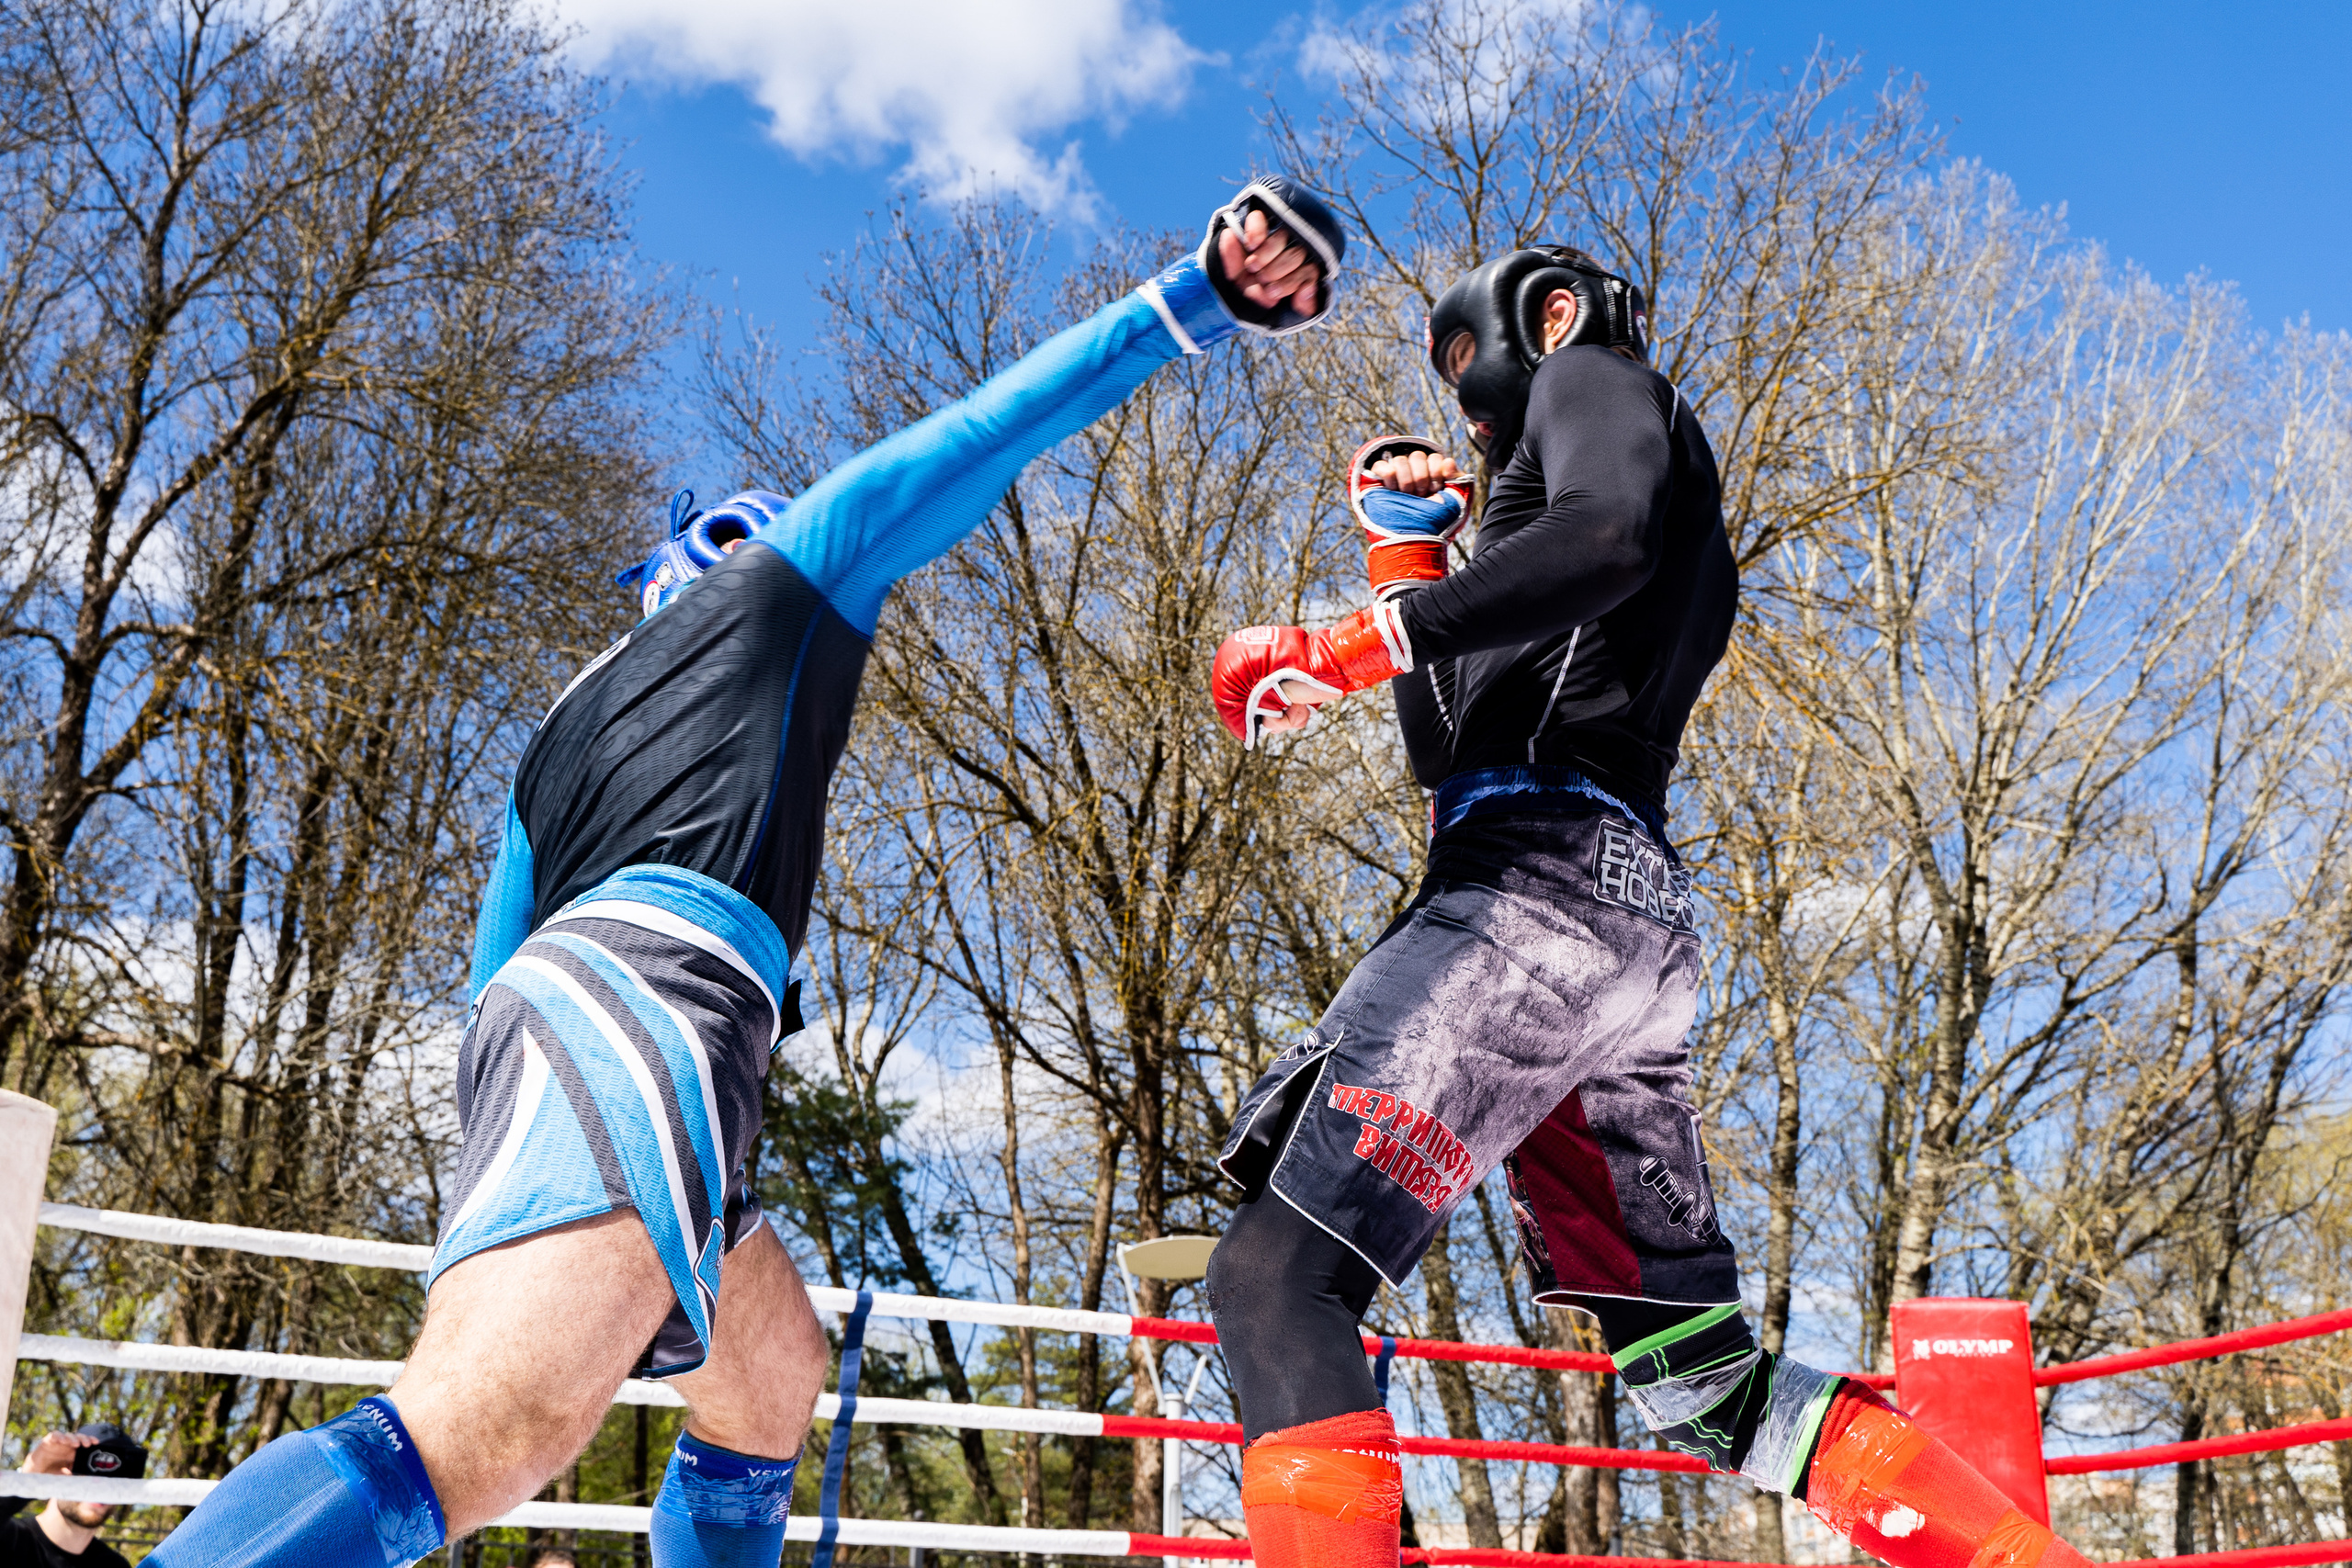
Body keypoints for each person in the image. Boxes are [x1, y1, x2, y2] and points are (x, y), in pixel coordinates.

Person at [146, 175, 1346, 1568]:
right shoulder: (782, 579)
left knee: (766, 1368)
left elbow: (487, 986)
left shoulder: (550, 740)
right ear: (711, 554)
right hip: (656, 999)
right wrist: (1193, 301)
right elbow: (967, 445)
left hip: (573, 1027)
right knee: (496, 1427)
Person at [1204, 245, 2094, 1568]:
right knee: (1700, 1377)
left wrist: (1344, 641)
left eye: (1469, 374)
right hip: (1624, 924)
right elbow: (1452, 747)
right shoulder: (1601, 512)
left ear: (1546, 315)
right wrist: (1405, 562)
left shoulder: (1594, 375)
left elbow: (1602, 533)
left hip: (1531, 889)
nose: (1474, 421)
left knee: (1278, 1278)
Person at [2, 1426, 145, 1568]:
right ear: (63, 1469)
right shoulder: (9, 1538)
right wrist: (28, 1480)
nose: (99, 1486)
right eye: (89, 1469)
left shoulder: (114, 1566)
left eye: (115, 1477)